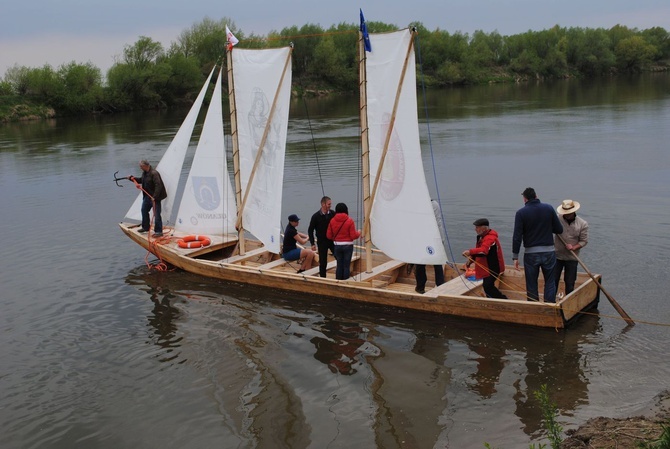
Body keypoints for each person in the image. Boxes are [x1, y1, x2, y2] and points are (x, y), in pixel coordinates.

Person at [512, 187, 564, 303]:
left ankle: (534, 307)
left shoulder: (521, 213)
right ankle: (550, 305)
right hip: (549, 252)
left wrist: (515, 256)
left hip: (531, 253)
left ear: (525, 199)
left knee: (531, 283)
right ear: (536, 196)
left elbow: (517, 236)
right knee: (550, 281)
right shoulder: (549, 208)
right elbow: (559, 229)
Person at [462, 218, 508, 299]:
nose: (475, 229)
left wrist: (470, 252)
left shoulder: (490, 238)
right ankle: (492, 300)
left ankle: (503, 300)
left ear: (483, 228)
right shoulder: (481, 237)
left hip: (493, 267)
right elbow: (479, 252)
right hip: (486, 267)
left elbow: (483, 251)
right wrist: (470, 260)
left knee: (487, 286)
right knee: (487, 286)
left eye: (477, 227)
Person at [554, 199, 589, 295]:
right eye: (565, 212)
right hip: (557, 256)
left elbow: (584, 241)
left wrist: (574, 247)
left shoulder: (582, 224)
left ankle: (568, 303)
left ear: (574, 211)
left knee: (569, 283)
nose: (567, 215)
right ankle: (551, 301)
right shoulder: (556, 219)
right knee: (553, 280)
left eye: (569, 212)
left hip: (572, 257)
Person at [129, 159, 167, 237]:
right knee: (144, 210)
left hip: (155, 198)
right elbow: (141, 180)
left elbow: (158, 186)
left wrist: (154, 197)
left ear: (145, 166)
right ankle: (145, 227)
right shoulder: (144, 173)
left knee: (156, 214)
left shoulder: (154, 173)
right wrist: (132, 178)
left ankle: (159, 231)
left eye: (141, 166)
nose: (140, 168)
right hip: (147, 197)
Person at [415, 200, 446, 294]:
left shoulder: (427, 205)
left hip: (429, 239)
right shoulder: (434, 203)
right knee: (437, 264)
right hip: (437, 238)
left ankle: (420, 287)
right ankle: (440, 286)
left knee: (420, 264)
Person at [326, 203, 361, 280]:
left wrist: (335, 239)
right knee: (346, 265)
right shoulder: (350, 221)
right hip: (348, 246)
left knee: (339, 264)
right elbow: (353, 236)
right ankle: (345, 282)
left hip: (337, 246)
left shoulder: (332, 221)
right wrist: (359, 233)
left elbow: (328, 236)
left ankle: (338, 281)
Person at [308, 196, 336, 278]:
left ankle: (340, 276)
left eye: (330, 204)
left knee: (338, 256)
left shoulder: (332, 213)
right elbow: (310, 230)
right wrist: (312, 243)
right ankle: (323, 277)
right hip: (322, 242)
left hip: (332, 240)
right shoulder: (315, 216)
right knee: (323, 261)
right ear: (323, 204)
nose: (330, 206)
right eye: (329, 204)